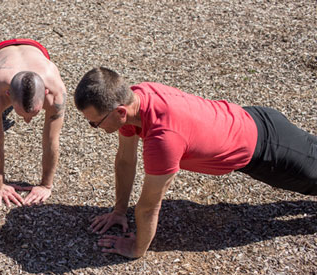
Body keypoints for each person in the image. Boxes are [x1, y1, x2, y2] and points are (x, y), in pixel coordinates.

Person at [74, 67, 317, 259]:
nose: (95, 128)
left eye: (95, 123)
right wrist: (119, 211)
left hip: (269, 150)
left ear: (120, 112)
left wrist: (137, 248)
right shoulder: (137, 97)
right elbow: (126, 161)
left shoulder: (163, 138)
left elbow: (149, 206)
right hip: (253, 118)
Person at [0, 38, 67, 207]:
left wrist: (46, 185)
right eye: (22, 115)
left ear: (46, 92)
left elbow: (51, 140)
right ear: (7, 95)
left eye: (33, 114)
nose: (27, 121)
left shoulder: (56, 91)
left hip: (36, 49)